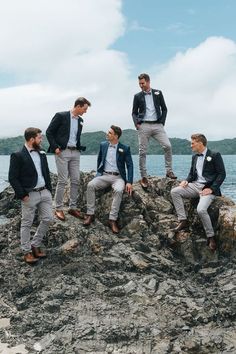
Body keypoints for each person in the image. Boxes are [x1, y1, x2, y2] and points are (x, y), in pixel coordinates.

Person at [171, 133, 226, 251]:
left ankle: (210, 236)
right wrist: (186, 181)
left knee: (201, 209)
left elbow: (222, 174)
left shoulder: (215, 155)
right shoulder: (195, 157)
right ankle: (183, 220)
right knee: (175, 191)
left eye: (193, 143)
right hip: (194, 185)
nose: (191, 146)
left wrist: (211, 189)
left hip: (208, 188)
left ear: (200, 143)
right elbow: (192, 173)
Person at [8, 127, 53, 263]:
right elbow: (13, 178)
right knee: (26, 223)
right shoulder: (17, 155)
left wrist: (49, 190)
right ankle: (26, 251)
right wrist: (22, 195)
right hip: (29, 194)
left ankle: (35, 244)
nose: (42, 139)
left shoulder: (42, 153)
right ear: (32, 139)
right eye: (39, 137)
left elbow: (46, 172)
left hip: (44, 192)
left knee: (48, 219)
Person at [46, 97, 91, 221]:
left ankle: (73, 207)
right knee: (62, 180)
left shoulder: (80, 120)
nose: (85, 111)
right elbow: (49, 132)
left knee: (76, 179)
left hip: (75, 152)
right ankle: (58, 208)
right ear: (78, 106)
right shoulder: (60, 116)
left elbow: (75, 137)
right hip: (62, 151)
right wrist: (55, 147)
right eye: (85, 109)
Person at [83, 125, 133, 234]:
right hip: (104, 176)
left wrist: (129, 182)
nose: (107, 134)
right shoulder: (103, 145)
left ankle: (112, 220)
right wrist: (98, 173)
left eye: (110, 133)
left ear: (116, 136)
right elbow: (99, 159)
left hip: (118, 178)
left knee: (119, 190)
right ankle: (90, 214)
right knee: (90, 185)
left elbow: (130, 166)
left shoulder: (125, 148)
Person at [132, 73, 176, 189]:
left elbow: (164, 109)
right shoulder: (137, 96)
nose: (141, 86)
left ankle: (169, 171)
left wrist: (162, 122)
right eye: (139, 84)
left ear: (148, 81)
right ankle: (144, 176)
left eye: (142, 83)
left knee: (168, 146)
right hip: (144, 125)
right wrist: (137, 124)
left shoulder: (158, 93)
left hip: (158, 125)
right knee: (142, 152)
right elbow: (134, 112)